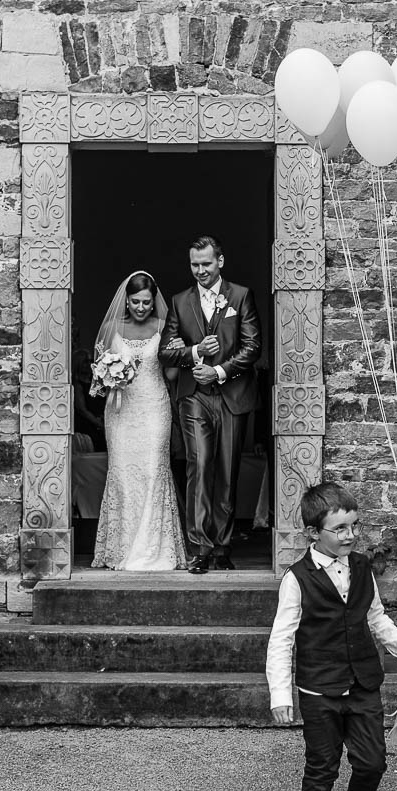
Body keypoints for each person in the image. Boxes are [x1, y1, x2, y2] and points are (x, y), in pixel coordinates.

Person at [265, 482, 397, 791]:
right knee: (322, 768)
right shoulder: (296, 579)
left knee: (373, 762)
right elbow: (282, 639)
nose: (350, 535)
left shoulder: (362, 568)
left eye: (354, 526)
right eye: (340, 529)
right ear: (313, 533)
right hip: (319, 689)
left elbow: (376, 619)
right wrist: (281, 694)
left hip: (363, 685)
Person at [161, 235, 262, 573]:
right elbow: (166, 351)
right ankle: (200, 547)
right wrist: (194, 353)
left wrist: (218, 370)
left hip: (231, 394)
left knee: (227, 472)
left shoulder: (240, 296)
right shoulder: (179, 301)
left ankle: (222, 545)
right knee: (199, 466)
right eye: (195, 265)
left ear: (220, 261)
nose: (200, 271)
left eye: (206, 263)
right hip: (194, 398)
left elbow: (252, 347)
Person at [87, 271, 187, 571]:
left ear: (154, 300)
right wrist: (108, 375)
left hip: (155, 406)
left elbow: (169, 375)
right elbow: (96, 382)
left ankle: (155, 550)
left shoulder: (163, 327)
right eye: (135, 302)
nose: (141, 308)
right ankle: (122, 549)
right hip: (121, 411)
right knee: (122, 473)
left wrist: (179, 354)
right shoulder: (110, 327)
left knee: (154, 471)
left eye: (146, 302)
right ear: (126, 301)